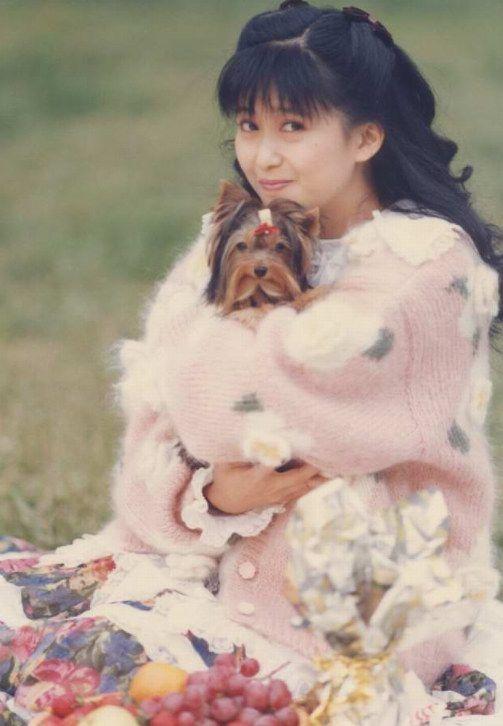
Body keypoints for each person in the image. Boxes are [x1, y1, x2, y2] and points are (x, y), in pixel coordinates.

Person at [1, 1, 503, 722]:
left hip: (336, 618)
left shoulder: (423, 267)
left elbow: (240, 402)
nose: (263, 156)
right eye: (248, 126)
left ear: (365, 136)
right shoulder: (234, 233)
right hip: (194, 566)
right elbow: (153, 429)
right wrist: (211, 497)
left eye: (293, 128)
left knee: (117, 691)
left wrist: (207, 349)